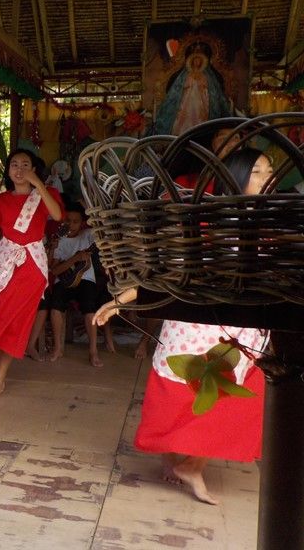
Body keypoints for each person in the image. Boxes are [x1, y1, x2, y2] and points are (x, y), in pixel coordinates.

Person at [94, 147, 273, 504]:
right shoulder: (205, 223)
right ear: (235, 178)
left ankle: (189, 464)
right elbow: (166, 272)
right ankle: (178, 461)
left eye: (269, 171)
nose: (267, 179)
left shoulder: (271, 225)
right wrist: (118, 301)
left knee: (238, 401)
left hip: (241, 332)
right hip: (199, 329)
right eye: (257, 172)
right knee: (181, 399)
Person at [0, 149, 63, 398]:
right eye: (14, 165)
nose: (19, 170)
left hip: (31, 265)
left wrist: (38, 184)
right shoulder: (0, 200)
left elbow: (57, 215)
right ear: (8, 170)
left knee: (15, 321)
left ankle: (0, 377)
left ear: (34, 169)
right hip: (4, 263)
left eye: (25, 165)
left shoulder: (46, 194)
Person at [48, 202, 104, 367]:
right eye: (68, 221)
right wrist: (75, 258)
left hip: (86, 279)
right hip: (64, 280)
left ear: (82, 223)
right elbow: (55, 270)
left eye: (75, 221)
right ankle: (58, 348)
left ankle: (93, 351)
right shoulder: (59, 240)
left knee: (89, 308)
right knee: (55, 306)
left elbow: (102, 227)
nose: (71, 225)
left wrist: (88, 205)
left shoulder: (88, 235)